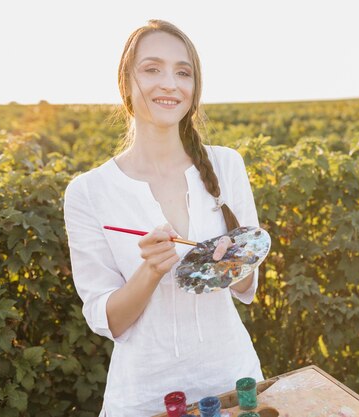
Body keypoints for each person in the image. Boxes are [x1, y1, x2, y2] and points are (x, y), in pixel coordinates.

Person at [63, 19, 263, 416]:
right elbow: (110, 320)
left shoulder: (227, 165)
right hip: (144, 397)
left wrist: (232, 259)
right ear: (125, 82)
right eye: (152, 68)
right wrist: (149, 272)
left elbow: (247, 286)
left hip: (233, 384)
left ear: (195, 87)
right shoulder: (87, 192)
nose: (170, 83)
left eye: (183, 72)